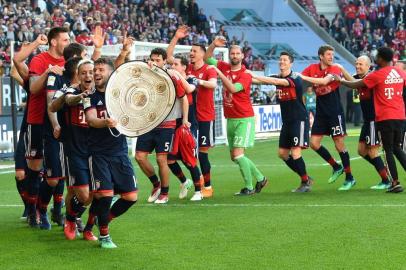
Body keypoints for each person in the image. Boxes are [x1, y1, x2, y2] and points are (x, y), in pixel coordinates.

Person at [84, 57, 138, 248]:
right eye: (94, 70)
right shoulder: (88, 96)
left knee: (131, 197)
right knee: (105, 195)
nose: (96, 73)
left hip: (120, 153)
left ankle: (101, 220)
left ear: (110, 73)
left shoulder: (120, 95)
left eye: (100, 70)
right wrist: (105, 122)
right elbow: (91, 119)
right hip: (98, 154)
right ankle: (104, 236)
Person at [204, 37, 268, 195]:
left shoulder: (245, 74)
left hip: (244, 119)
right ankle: (260, 178)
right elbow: (206, 58)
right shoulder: (224, 66)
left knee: (238, 155)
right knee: (234, 156)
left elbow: (232, 88)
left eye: (237, 53)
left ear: (242, 56)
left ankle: (249, 187)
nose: (234, 55)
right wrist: (213, 45)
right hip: (230, 118)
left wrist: (219, 73)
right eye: (232, 53)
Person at [337, 47, 406, 193]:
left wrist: (340, 80)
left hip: (385, 117)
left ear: (381, 58)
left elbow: (356, 84)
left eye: (377, 56)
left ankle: (394, 182)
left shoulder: (377, 75)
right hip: (400, 116)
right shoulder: (401, 73)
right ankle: (391, 180)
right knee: (397, 148)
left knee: (388, 150)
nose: (376, 58)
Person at [167, 25, 218, 198]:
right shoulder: (186, 71)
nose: (191, 53)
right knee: (186, 154)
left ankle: (207, 187)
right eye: (190, 50)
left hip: (205, 116)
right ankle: (197, 182)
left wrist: (198, 81)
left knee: (202, 154)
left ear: (203, 54)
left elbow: (213, 84)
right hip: (191, 116)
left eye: (194, 50)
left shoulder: (208, 69)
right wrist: (176, 37)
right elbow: (170, 59)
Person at [250, 51, 312, 192]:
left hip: (299, 120)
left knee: (295, 153)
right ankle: (305, 177)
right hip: (287, 121)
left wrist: (260, 77)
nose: (282, 62)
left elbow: (277, 82)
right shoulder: (277, 77)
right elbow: (259, 80)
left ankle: (305, 183)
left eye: (285, 60)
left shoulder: (295, 78)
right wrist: (243, 75)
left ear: (291, 63)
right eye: (280, 60)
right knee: (283, 154)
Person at [25, 27, 68, 228]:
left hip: (58, 122)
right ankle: (33, 212)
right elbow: (33, 88)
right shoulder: (39, 60)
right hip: (36, 119)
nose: (67, 42)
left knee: (58, 170)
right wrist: (48, 71)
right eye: (65, 39)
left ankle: (54, 211)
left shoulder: (68, 62)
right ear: (53, 42)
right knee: (34, 169)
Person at [134, 47, 190, 204]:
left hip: (167, 124)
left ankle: (165, 193)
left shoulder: (172, 76)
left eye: (158, 60)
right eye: (152, 59)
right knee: (139, 157)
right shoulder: (145, 75)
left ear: (165, 61)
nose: (154, 63)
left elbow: (183, 98)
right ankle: (156, 184)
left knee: (161, 159)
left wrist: (185, 119)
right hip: (148, 123)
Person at [299, 45, 356, 191]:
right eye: (329, 54)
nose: (332, 57)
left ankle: (350, 177)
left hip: (335, 112)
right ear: (321, 56)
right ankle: (336, 167)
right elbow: (298, 80)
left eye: (332, 54)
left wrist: (302, 77)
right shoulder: (312, 68)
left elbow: (324, 82)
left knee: (339, 144)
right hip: (321, 113)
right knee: (314, 143)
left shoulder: (335, 69)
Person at [56, 58, 98, 241]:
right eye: (84, 72)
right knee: (80, 193)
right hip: (75, 150)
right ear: (78, 75)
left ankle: (83, 225)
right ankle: (71, 219)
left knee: (97, 194)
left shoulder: (101, 93)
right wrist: (78, 97)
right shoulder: (71, 90)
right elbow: (64, 101)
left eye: (91, 72)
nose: (88, 75)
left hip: (97, 151)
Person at [12, 35, 48, 220]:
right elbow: (14, 71)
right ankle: (29, 208)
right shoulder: (32, 82)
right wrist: (26, 49)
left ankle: (42, 210)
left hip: (45, 131)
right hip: (27, 132)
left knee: (48, 175)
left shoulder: (49, 84)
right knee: (20, 174)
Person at [344, 55, 391, 190]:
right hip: (367, 121)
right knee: (361, 151)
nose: (357, 66)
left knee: (372, 151)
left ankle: (386, 180)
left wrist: (341, 70)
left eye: (361, 64)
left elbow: (353, 83)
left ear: (368, 66)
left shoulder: (373, 77)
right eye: (356, 64)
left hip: (374, 120)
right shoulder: (358, 77)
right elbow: (354, 81)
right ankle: (383, 170)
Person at [166, 53, 205, 201]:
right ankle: (184, 181)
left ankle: (198, 191)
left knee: (190, 160)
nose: (173, 67)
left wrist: (177, 76)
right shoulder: (170, 82)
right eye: (172, 65)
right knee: (170, 160)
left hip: (189, 125)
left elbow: (189, 89)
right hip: (173, 124)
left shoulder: (191, 79)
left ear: (184, 67)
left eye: (176, 64)